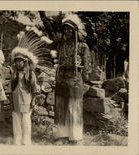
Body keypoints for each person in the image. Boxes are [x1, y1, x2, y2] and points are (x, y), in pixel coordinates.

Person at [54, 14, 91, 144]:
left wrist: (84, 78)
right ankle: (62, 135)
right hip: (61, 78)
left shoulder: (82, 46)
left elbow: (87, 64)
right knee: (61, 106)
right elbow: (57, 62)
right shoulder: (61, 45)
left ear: (75, 30)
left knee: (73, 107)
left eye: (70, 29)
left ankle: (75, 137)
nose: (67, 31)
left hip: (75, 79)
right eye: (65, 29)